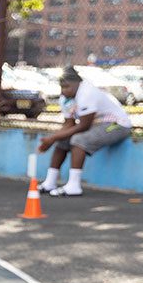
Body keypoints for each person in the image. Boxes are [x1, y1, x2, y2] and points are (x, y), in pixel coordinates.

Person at [37, 66, 132, 197]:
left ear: (77, 83)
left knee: (79, 140)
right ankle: (50, 182)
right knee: (64, 139)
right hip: (96, 124)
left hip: (117, 124)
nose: (63, 91)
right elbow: (69, 124)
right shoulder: (66, 99)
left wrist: (52, 138)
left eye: (67, 87)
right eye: (61, 87)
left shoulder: (87, 92)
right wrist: (55, 137)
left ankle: (74, 186)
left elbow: (83, 126)